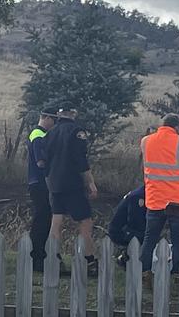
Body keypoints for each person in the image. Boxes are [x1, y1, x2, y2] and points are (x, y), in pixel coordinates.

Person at [45, 105, 99, 276]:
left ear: (59, 115)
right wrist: (90, 182)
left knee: (56, 221)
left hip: (54, 183)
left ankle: (55, 258)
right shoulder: (77, 131)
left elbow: (46, 158)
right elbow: (80, 159)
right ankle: (88, 260)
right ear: (74, 113)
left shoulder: (51, 132)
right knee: (85, 221)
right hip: (73, 183)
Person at [139, 113, 179, 282]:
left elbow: (144, 164)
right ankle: (177, 273)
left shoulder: (146, 141)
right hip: (177, 201)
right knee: (178, 240)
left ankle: (145, 272)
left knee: (149, 239)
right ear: (177, 127)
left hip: (155, 199)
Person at [26, 108, 57, 272]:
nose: (55, 124)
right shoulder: (38, 135)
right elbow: (41, 162)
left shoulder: (40, 134)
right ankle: (36, 256)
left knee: (44, 218)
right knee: (41, 218)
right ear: (45, 118)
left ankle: (40, 254)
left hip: (38, 182)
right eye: (53, 120)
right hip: (40, 182)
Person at [108, 185, 147, 265]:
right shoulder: (138, 196)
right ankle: (126, 257)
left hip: (131, 228)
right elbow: (135, 222)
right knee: (147, 237)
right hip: (121, 231)